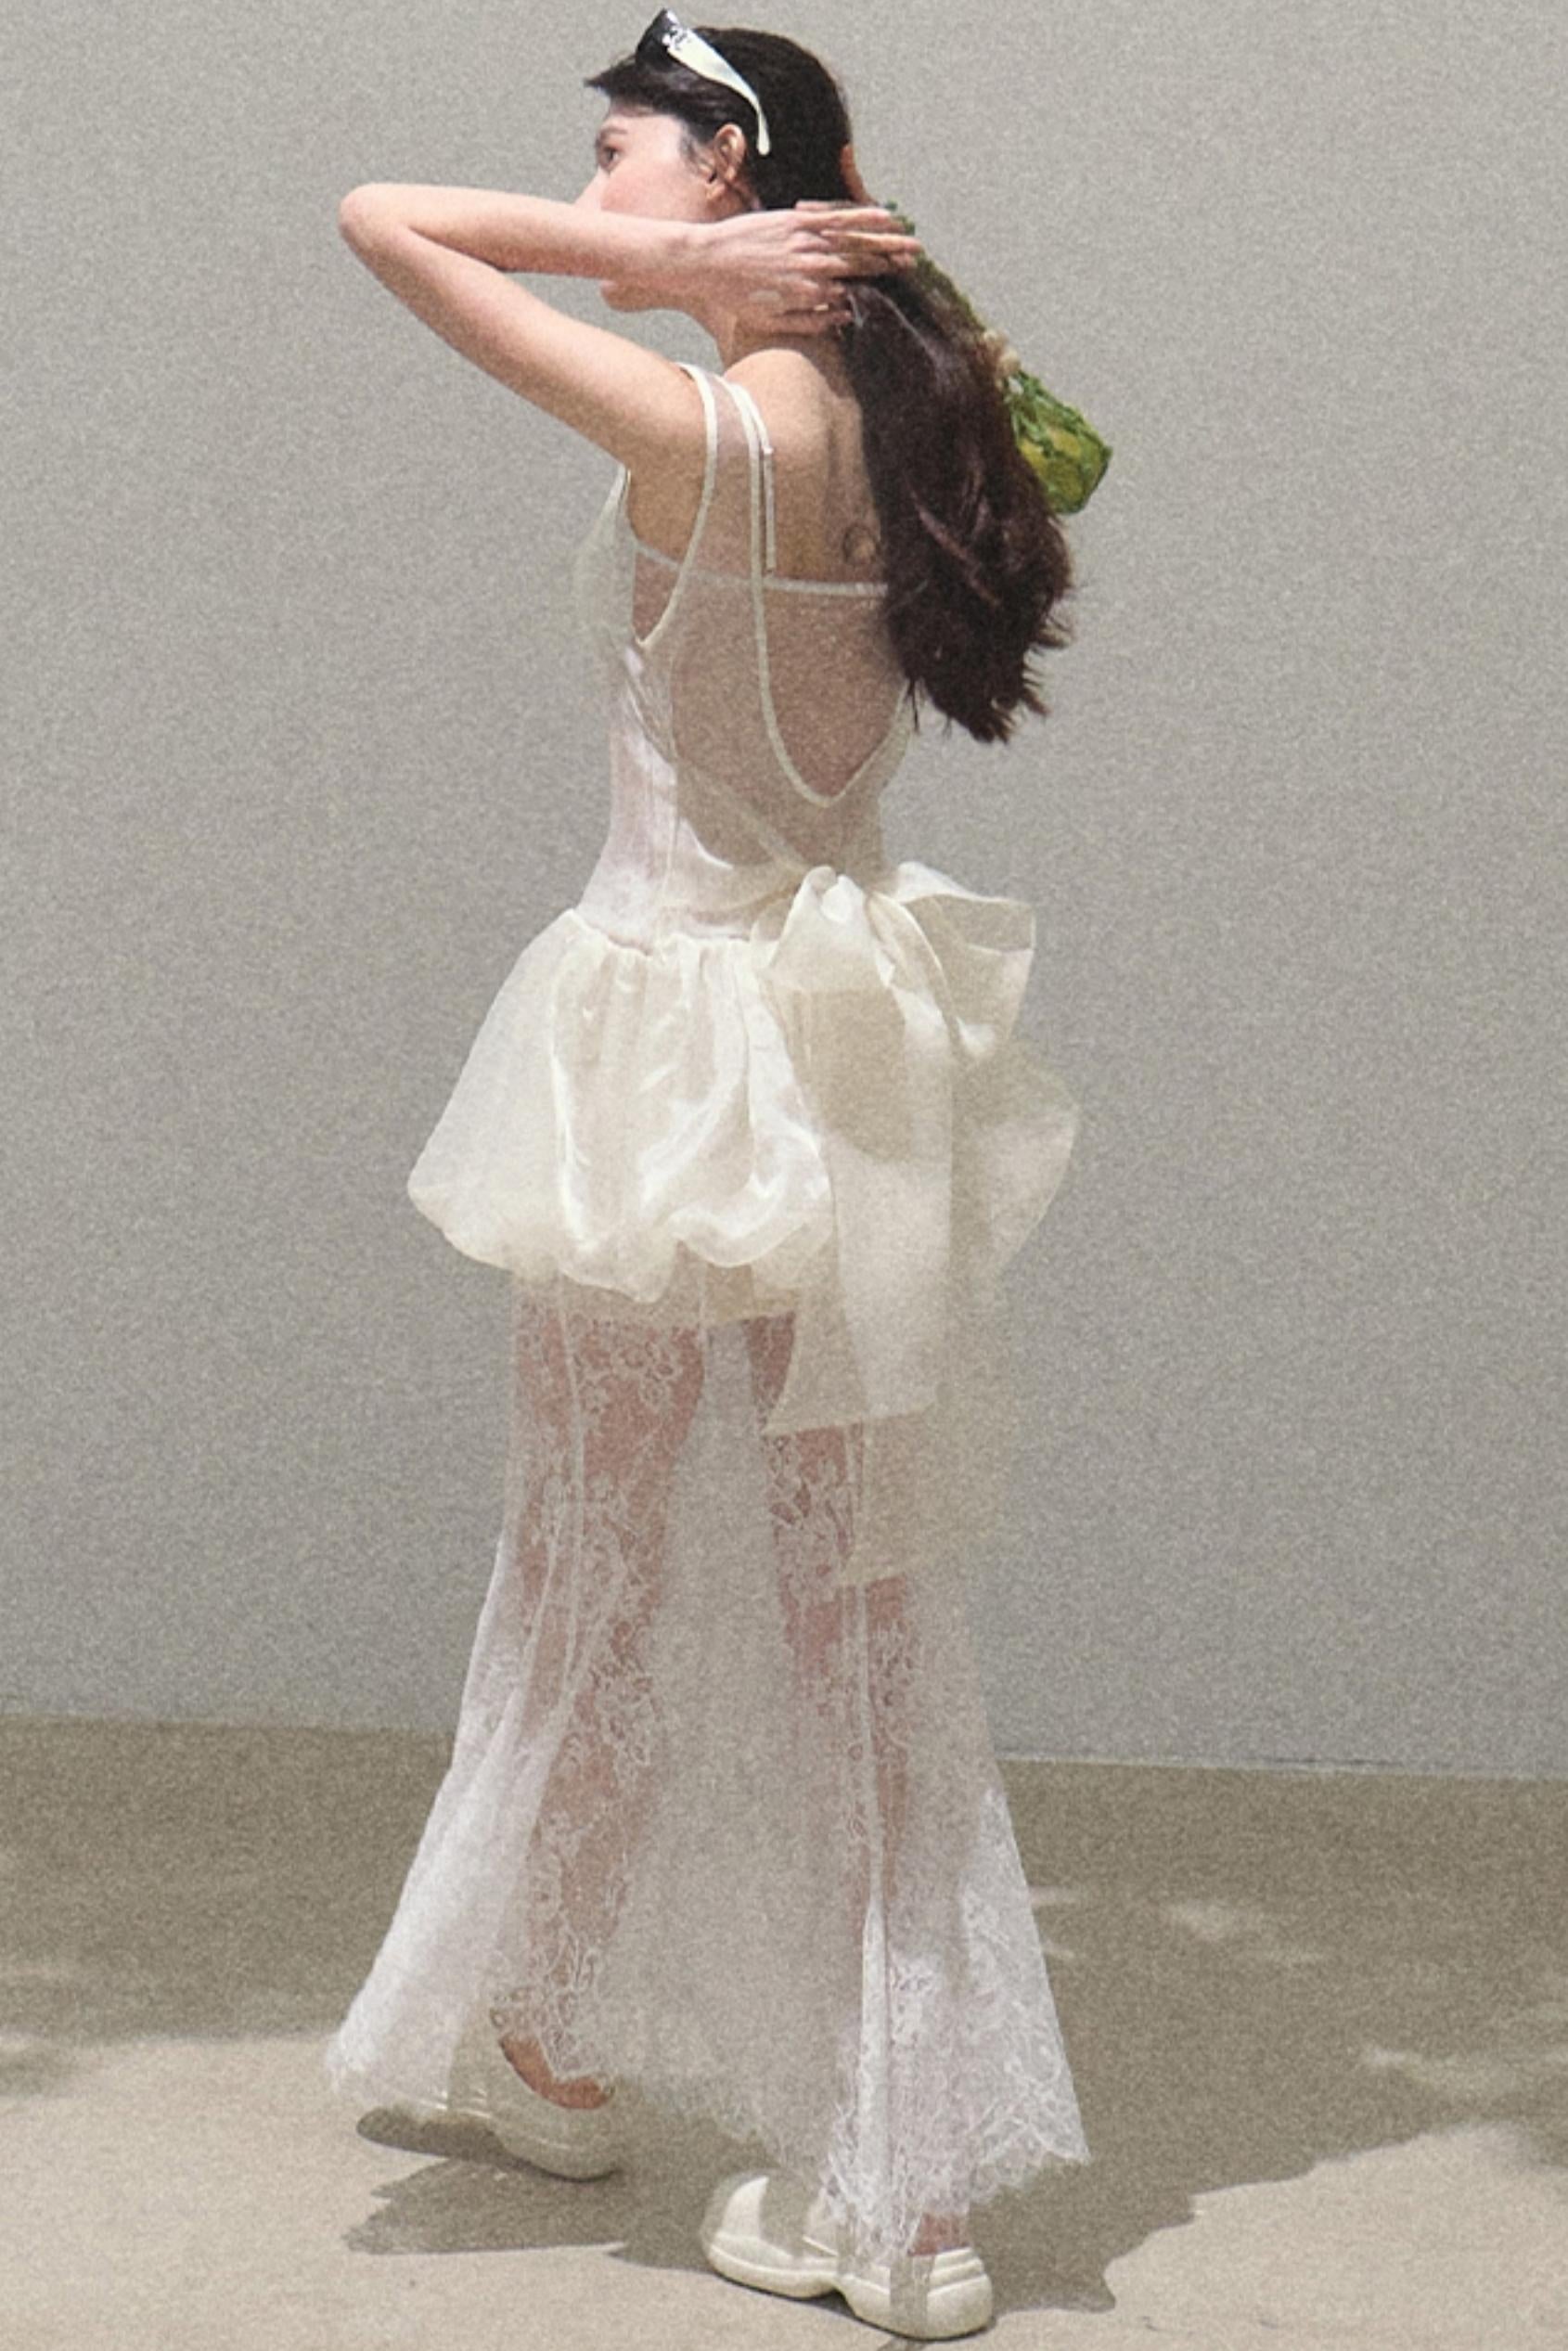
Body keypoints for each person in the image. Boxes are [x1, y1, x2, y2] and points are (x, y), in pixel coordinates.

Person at [328, 15, 1091, 2339]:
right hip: (847, 1046)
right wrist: (742, 264)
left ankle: (637, 2077)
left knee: (589, 1566)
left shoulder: (702, 426)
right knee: (861, 1617)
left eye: (618, 154)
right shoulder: (929, 422)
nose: (590, 193)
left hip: (664, 1052)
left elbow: (382, 219)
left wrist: (668, 277)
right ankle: (874, 2175)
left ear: (732, 172)